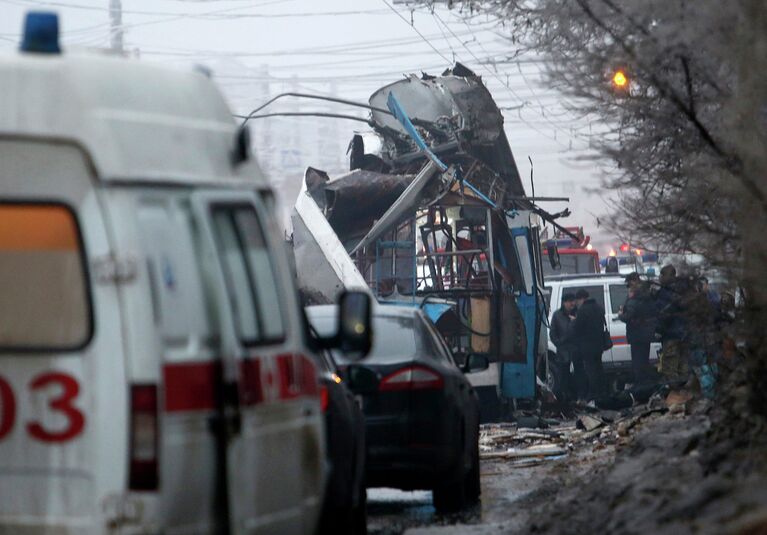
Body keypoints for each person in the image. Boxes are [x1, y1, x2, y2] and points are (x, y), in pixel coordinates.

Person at [619, 274, 657, 385]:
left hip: (637, 333)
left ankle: (640, 386)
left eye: (629, 284)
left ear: (635, 281)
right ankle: (645, 385)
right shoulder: (648, 294)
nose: (628, 287)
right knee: (644, 361)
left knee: (638, 363)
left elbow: (627, 316)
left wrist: (621, 314)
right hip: (646, 332)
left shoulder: (635, 297)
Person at [654, 264, 688, 379]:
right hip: (684, 334)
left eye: (662, 275)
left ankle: (675, 393)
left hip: (671, 335)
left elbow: (664, 315)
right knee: (683, 367)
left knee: (670, 369)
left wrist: (658, 330)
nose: (660, 278)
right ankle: (685, 393)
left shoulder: (665, 293)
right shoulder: (683, 290)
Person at [573, 288, 606, 400]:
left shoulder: (583, 311)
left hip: (587, 346)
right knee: (599, 368)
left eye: (577, 301)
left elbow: (577, 328)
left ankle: (593, 395)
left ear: (582, 299)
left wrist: (574, 320)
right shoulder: (599, 307)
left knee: (591, 371)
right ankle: (602, 392)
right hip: (599, 344)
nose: (576, 303)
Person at [549, 293, 577, 402]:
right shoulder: (557, 315)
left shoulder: (577, 313)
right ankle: (563, 398)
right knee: (563, 375)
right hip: (563, 351)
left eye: (573, 301)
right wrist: (559, 343)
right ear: (564, 302)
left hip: (575, 349)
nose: (572, 304)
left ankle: (575, 396)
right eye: (570, 301)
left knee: (578, 375)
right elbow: (553, 333)